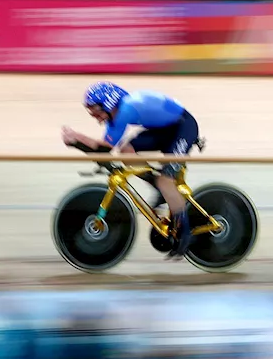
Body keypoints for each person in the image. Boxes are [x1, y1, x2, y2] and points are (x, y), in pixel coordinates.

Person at [61, 82, 199, 258]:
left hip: (183, 128)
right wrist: (78, 143)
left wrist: (77, 139)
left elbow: (103, 150)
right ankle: (158, 186)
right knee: (126, 151)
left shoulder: (125, 110)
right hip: (166, 130)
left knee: (166, 181)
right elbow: (105, 152)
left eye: (96, 111)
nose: (95, 117)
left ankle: (185, 232)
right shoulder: (116, 113)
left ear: (108, 103)